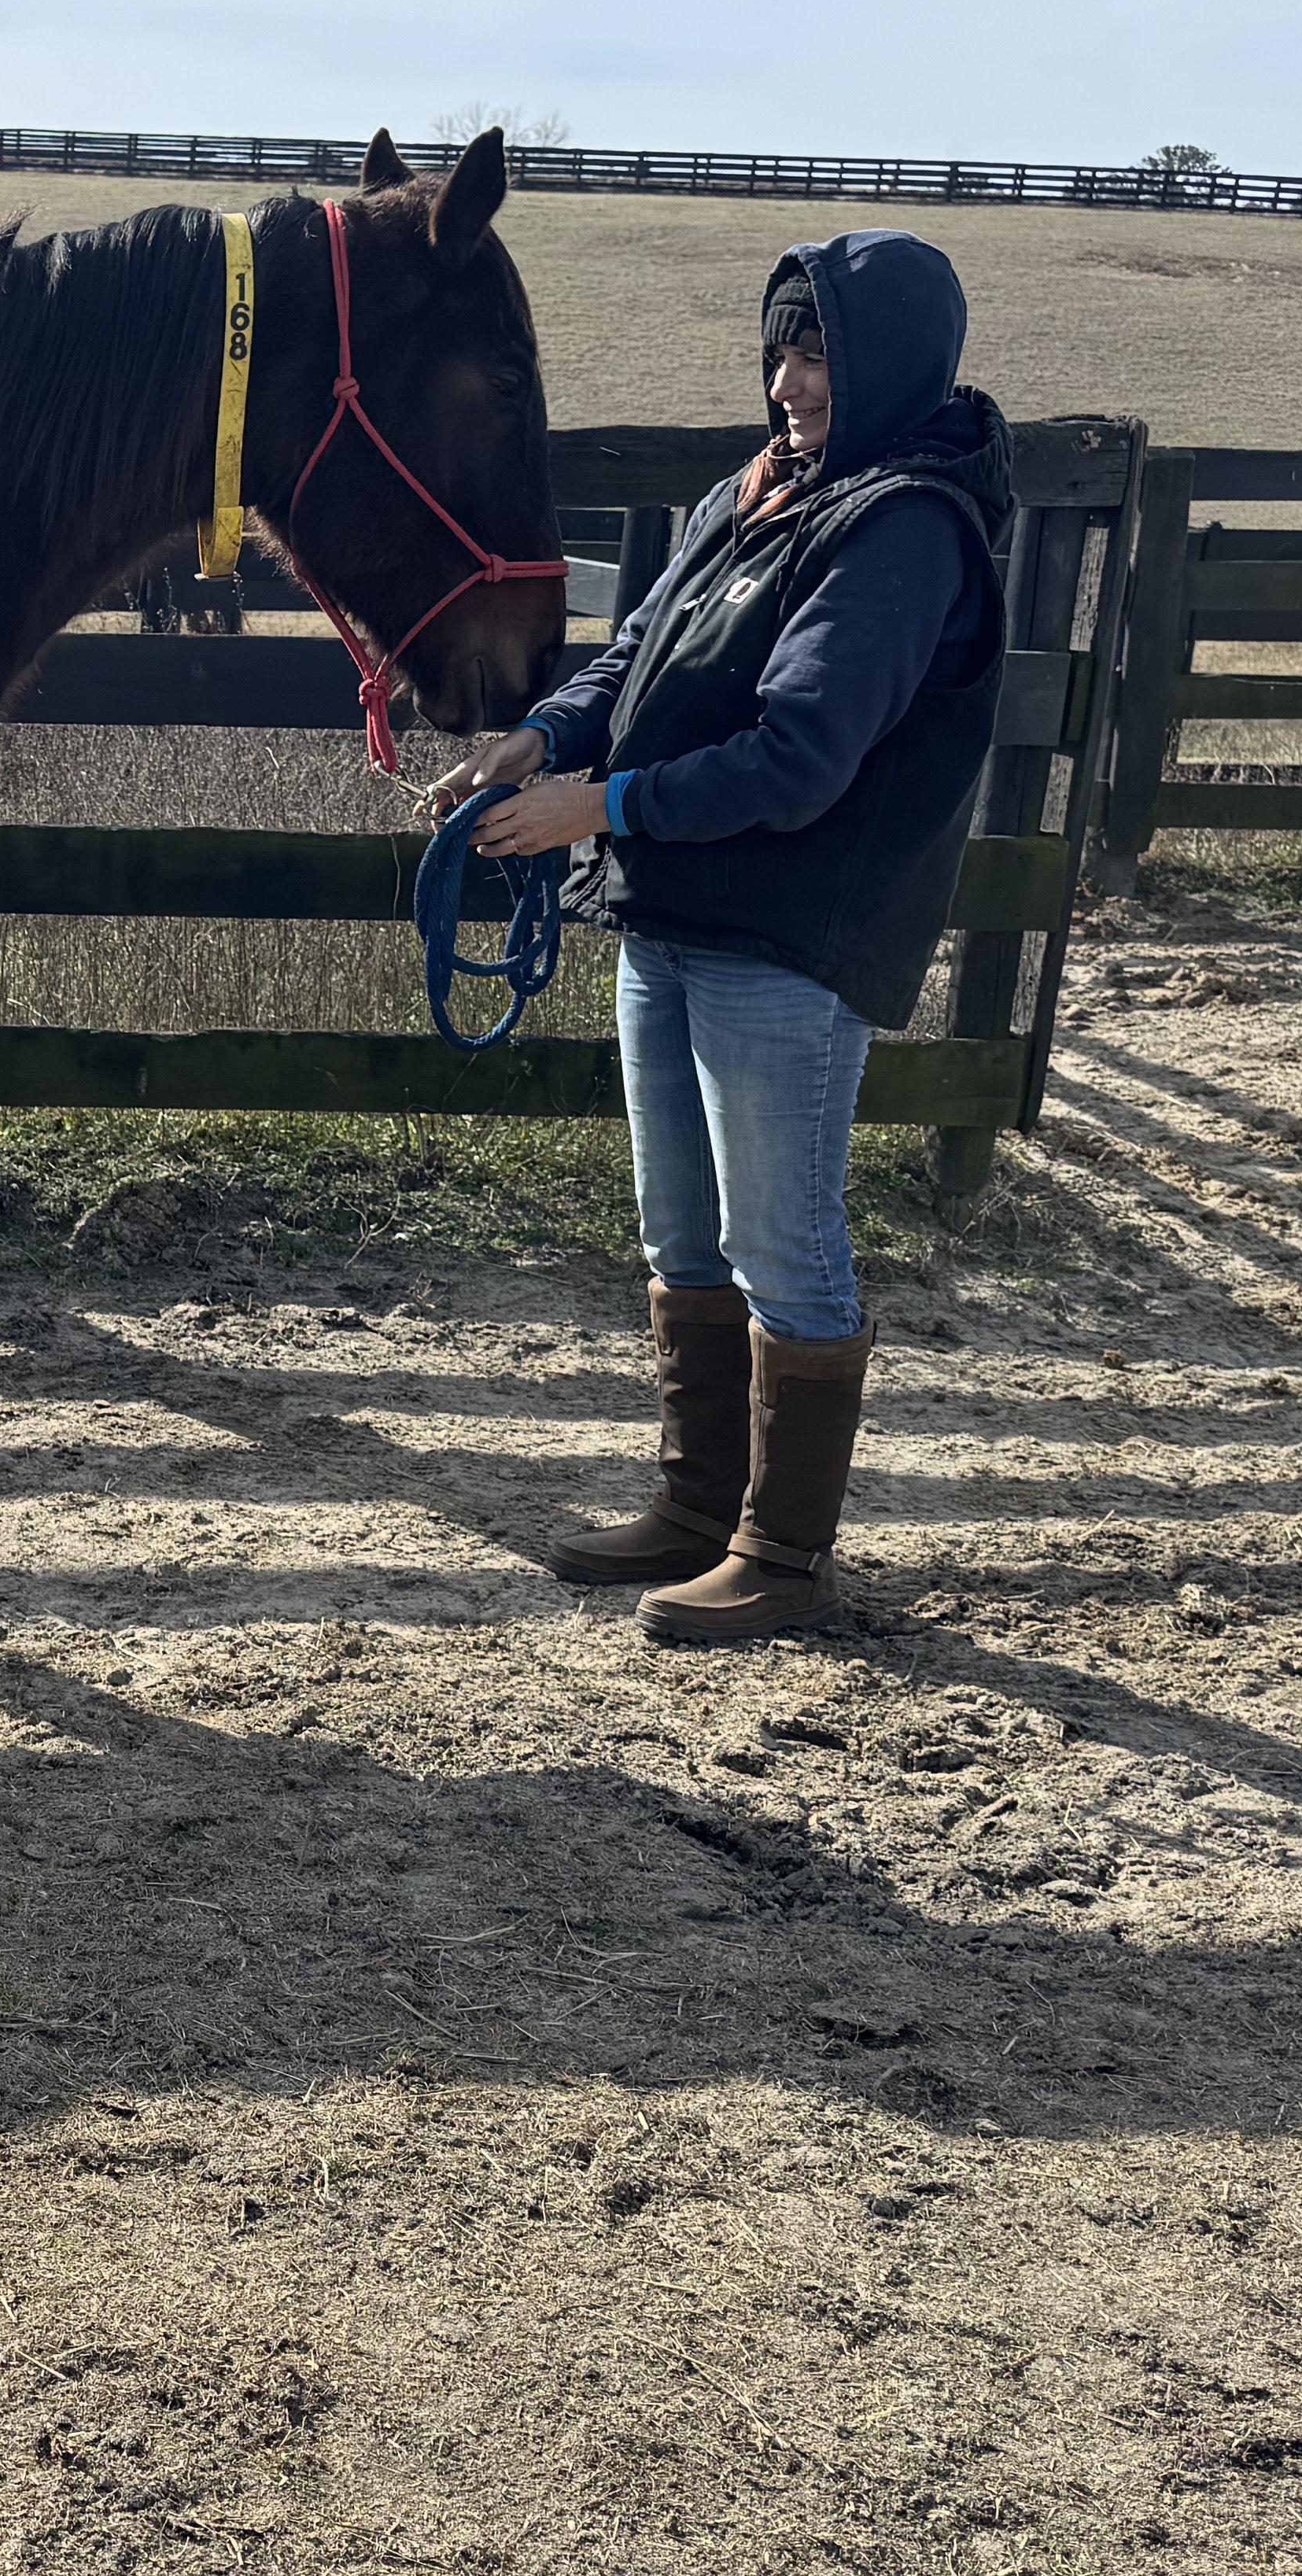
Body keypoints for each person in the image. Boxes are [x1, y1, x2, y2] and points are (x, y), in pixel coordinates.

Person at [433, 231, 1014, 1642]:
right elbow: (634, 659)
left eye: (819, 353)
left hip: (789, 936)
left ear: (886, 365)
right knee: (682, 1231)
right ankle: (700, 1510)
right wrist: (540, 741)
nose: (790, 380)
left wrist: (604, 802)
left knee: (783, 1241)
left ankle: (785, 1552)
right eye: (782, 348)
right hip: (674, 912)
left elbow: (802, 755)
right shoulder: (752, 496)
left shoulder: (902, 525)